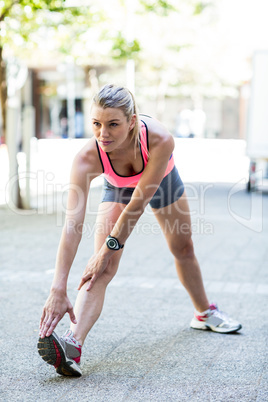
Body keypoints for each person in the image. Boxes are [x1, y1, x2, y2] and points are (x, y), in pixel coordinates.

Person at [38, 84, 242, 377]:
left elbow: (138, 205)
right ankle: (72, 345)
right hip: (119, 188)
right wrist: (58, 287)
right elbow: (72, 225)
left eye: (112, 125)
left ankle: (204, 312)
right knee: (102, 269)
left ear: (132, 121)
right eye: (96, 124)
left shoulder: (160, 139)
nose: (102, 134)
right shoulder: (86, 158)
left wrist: (106, 249)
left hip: (160, 183)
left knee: (182, 248)